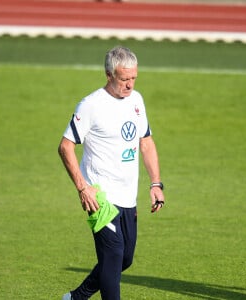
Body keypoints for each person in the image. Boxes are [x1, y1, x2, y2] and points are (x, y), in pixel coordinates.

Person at [58, 46, 165, 300]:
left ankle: (76, 297)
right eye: (124, 79)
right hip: (100, 195)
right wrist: (83, 187)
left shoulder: (136, 101)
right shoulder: (91, 105)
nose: (130, 85)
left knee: (124, 259)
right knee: (114, 253)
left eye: (134, 78)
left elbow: (146, 142)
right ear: (108, 75)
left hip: (128, 196)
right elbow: (65, 146)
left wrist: (156, 183)